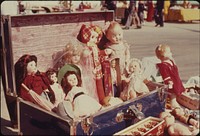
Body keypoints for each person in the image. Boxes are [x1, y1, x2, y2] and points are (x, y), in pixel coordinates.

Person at [77, 24, 109, 105]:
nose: (94, 40)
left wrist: (104, 53)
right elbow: (84, 55)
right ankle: (94, 100)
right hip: (90, 70)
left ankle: (102, 99)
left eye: (96, 37)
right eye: (92, 37)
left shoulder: (95, 47)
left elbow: (99, 54)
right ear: (86, 38)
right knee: (92, 87)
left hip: (97, 68)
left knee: (99, 85)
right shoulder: (86, 48)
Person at [155, 44, 185, 109]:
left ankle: (179, 97)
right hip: (171, 82)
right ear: (164, 55)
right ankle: (173, 103)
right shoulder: (163, 65)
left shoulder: (170, 61)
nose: (171, 53)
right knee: (173, 93)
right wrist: (168, 81)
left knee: (178, 89)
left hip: (176, 79)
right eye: (169, 52)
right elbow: (165, 75)